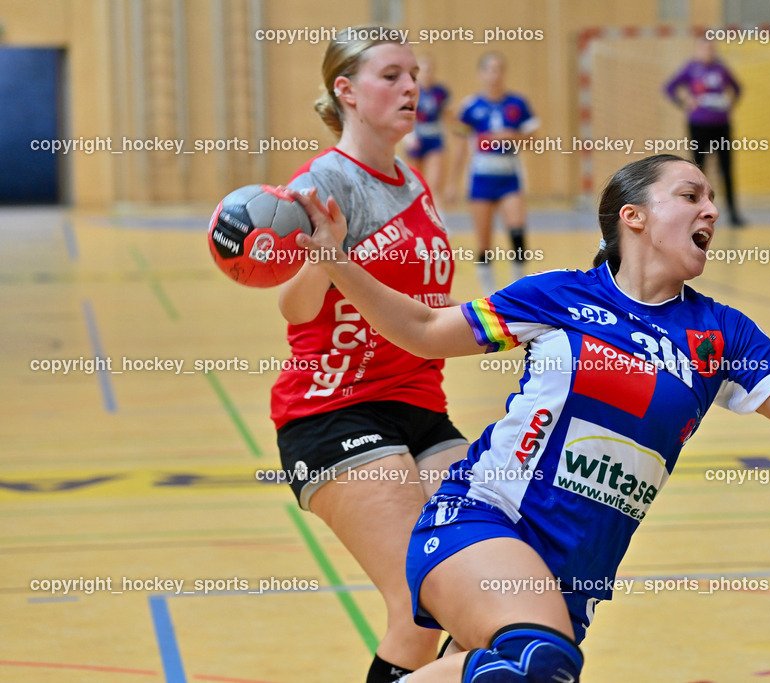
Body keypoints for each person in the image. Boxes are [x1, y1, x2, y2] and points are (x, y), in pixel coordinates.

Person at [287, 152, 770, 680]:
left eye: (712, 198)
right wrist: (336, 260)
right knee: (538, 661)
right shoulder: (561, 296)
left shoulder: (725, 335)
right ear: (635, 217)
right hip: (482, 521)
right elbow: (425, 328)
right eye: (690, 194)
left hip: (574, 575)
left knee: (530, 667)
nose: (711, 207)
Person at [269, 27, 469, 682]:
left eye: (414, 74)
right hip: (337, 413)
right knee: (425, 602)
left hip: (420, 407)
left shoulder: (413, 181)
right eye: (391, 75)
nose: (411, 86)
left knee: (480, 597)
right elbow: (295, 309)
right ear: (346, 91)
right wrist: (324, 259)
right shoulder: (323, 183)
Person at [448, 51, 539, 294]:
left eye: (499, 69)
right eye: (489, 69)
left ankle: (517, 289)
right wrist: (452, 183)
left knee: (517, 232)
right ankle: (489, 294)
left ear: (503, 73)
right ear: (481, 74)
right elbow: (459, 146)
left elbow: (533, 140)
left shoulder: (517, 103)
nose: (494, 74)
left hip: (510, 177)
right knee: (484, 242)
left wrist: (514, 136)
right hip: (481, 179)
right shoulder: (471, 106)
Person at [665, 36, 745, 226]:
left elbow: (737, 88)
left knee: (726, 168)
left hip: (721, 126)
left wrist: (730, 104)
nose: (708, 51)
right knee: (698, 169)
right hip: (699, 125)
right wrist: (685, 102)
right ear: (698, 49)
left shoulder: (721, 68)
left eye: (711, 48)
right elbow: (670, 88)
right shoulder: (691, 68)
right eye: (704, 48)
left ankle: (733, 214)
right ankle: (695, 213)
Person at [404, 54, 451, 209]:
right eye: (423, 70)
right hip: (415, 140)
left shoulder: (440, 92)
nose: (427, 73)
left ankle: (439, 219)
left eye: (429, 70)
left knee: (434, 182)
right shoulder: (409, 91)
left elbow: (449, 117)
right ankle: (416, 216)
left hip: (434, 140)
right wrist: (409, 137)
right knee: (414, 183)